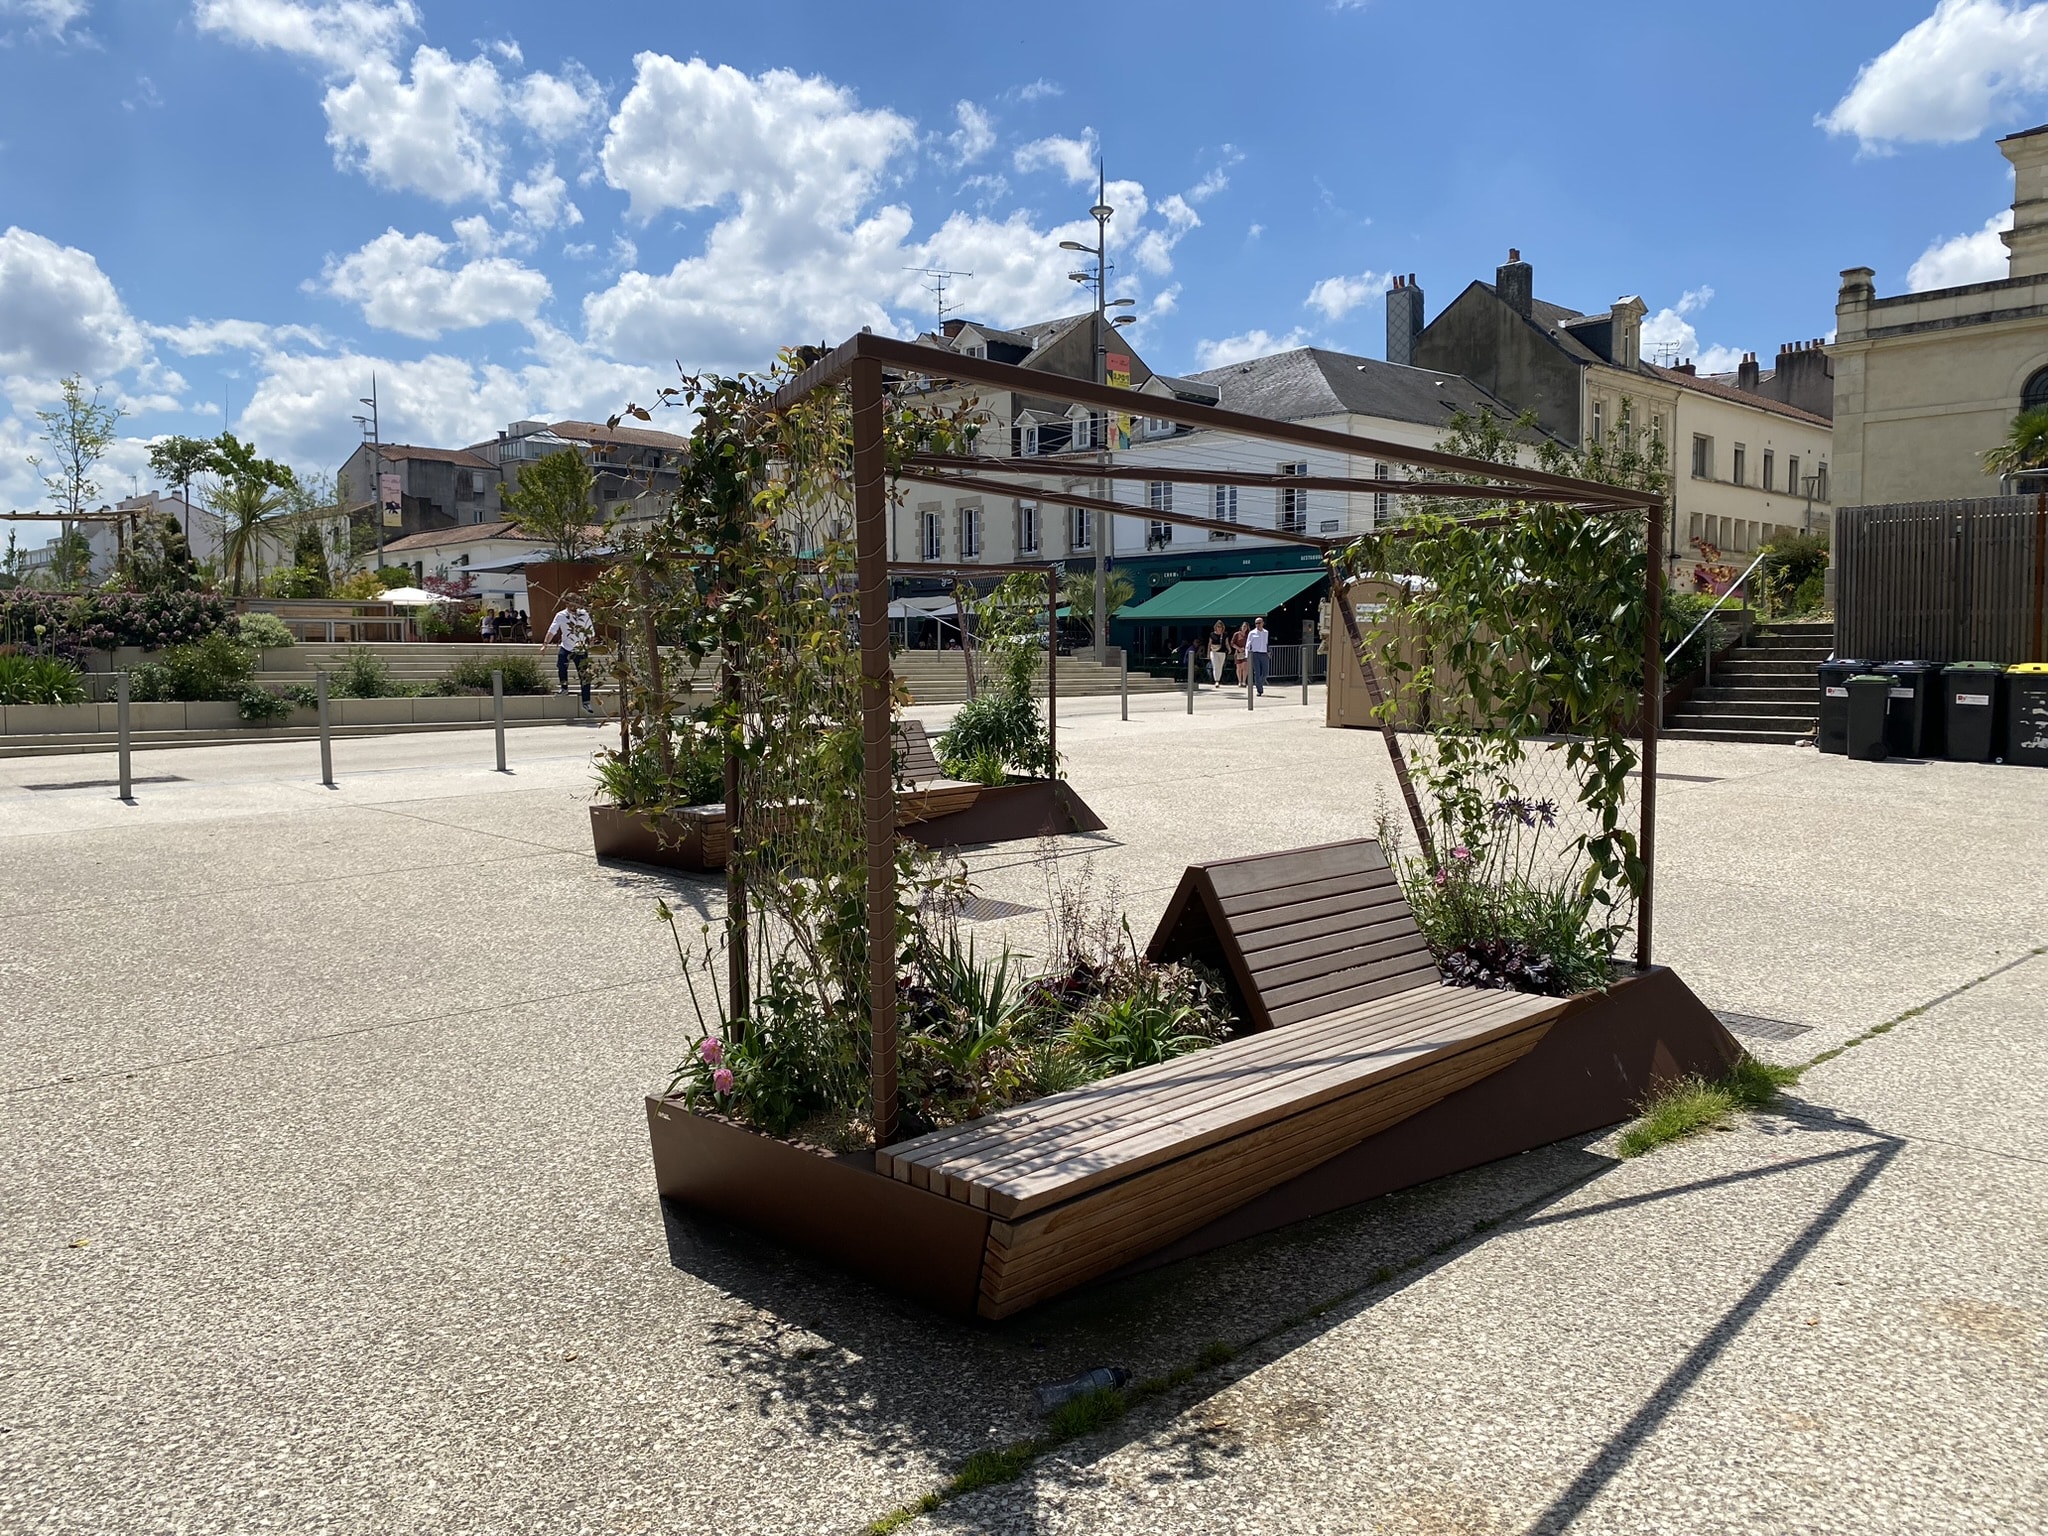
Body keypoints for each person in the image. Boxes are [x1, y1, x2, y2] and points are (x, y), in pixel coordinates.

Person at [544, 592, 596, 714]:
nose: (574, 606)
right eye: (571, 603)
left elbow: (590, 631)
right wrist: (545, 644)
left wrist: (591, 642)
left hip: (581, 649)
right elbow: (552, 630)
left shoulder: (584, 615)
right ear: (567, 603)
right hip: (566, 647)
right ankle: (564, 687)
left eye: (576, 603)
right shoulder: (561, 615)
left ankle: (586, 701)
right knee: (561, 666)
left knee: (585, 675)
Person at [1247, 615, 1271, 696]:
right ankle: (1259, 690)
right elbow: (1248, 644)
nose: (1257, 624)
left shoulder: (1266, 632)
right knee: (1257, 672)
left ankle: (1260, 683)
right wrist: (1247, 656)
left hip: (1264, 654)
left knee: (1265, 672)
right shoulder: (1252, 633)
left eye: (1259, 623)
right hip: (1255, 654)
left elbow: (1266, 643)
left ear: (1263, 623)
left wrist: (1268, 652)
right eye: (1256, 623)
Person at [1230, 621, 1250, 688]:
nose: (1245, 628)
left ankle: (1244, 681)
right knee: (1239, 667)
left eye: (1246, 627)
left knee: (1245, 666)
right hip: (1238, 652)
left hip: (1245, 652)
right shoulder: (1237, 634)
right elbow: (1232, 643)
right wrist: (1238, 648)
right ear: (1241, 627)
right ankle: (1239, 681)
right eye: (1244, 626)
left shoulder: (1248, 635)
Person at [1207, 620, 1226, 686]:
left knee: (1220, 666)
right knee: (1215, 666)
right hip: (1214, 651)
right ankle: (1216, 680)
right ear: (1215, 627)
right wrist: (1208, 653)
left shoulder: (1224, 634)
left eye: (1220, 627)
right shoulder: (1212, 634)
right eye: (1218, 626)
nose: (1219, 628)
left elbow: (1226, 643)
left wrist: (1229, 649)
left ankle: (1219, 679)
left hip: (1222, 652)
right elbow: (1209, 644)